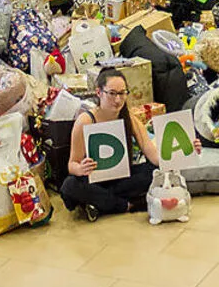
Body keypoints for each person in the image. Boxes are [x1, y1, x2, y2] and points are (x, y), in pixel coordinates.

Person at [60, 67, 201, 221]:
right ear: (99, 92)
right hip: (94, 180)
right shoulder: (85, 121)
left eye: (122, 93)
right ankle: (127, 205)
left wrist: (187, 149)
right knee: (69, 186)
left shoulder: (130, 118)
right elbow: (72, 165)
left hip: (122, 178)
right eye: (112, 93)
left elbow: (153, 155)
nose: (118, 100)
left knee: (154, 172)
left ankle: (99, 204)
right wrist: (81, 168)